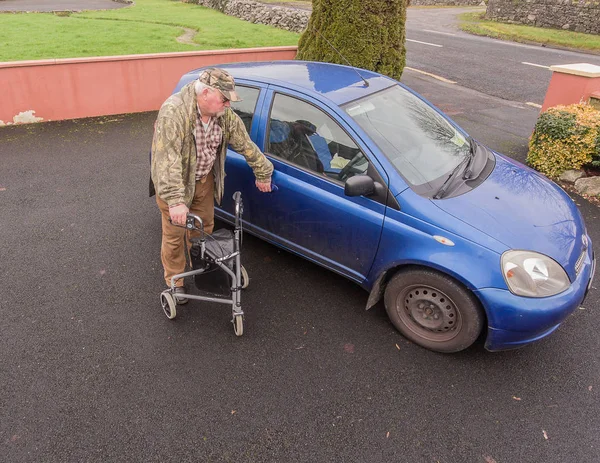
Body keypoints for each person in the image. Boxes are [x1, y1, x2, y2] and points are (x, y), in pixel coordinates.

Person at [150, 67, 273, 303]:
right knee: (175, 236)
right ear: (206, 93)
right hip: (175, 185)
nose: (228, 104)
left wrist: (263, 171)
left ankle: (203, 267)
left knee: (203, 228)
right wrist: (176, 202)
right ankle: (175, 280)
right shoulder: (174, 112)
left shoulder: (223, 115)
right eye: (224, 99)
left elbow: (244, 143)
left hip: (203, 181)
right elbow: (167, 161)